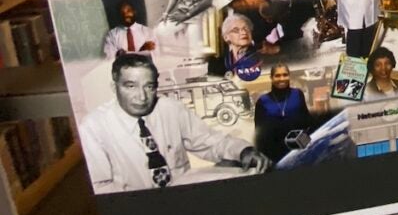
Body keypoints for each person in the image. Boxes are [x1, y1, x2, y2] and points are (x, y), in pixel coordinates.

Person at [79, 54, 270, 193]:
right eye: (131, 86)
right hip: (135, 209)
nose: (142, 96)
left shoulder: (171, 109)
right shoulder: (93, 127)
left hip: (185, 195)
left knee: (252, 178)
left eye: (149, 86)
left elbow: (209, 141)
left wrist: (243, 151)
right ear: (115, 87)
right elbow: (101, 188)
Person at [253, 64, 311, 163]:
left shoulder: (298, 94)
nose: (282, 79)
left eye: (285, 75)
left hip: (300, 149)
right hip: (275, 154)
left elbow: (307, 120)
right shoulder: (262, 101)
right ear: (271, 78)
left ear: (289, 76)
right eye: (277, 76)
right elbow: (259, 133)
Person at [208, 14, 261, 79]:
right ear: (226, 37)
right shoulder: (217, 64)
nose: (244, 32)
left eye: (246, 28)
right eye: (236, 30)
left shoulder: (261, 56)